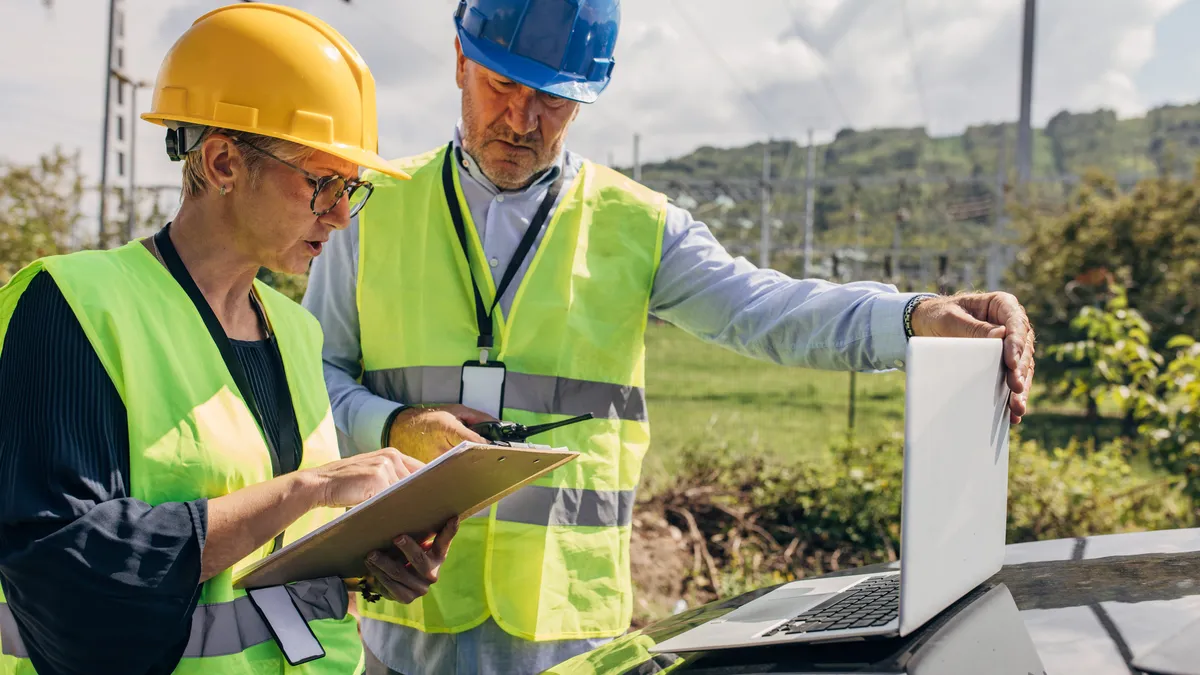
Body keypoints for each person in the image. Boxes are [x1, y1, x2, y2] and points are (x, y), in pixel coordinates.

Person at [302, 1, 1037, 673]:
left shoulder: (640, 225)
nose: (522, 121)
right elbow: (308, 383)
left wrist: (914, 314)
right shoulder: (366, 209)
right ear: (460, 60)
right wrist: (396, 425)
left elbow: (768, 309)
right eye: (501, 85)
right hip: (405, 625)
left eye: (553, 99)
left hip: (572, 640)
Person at [0, 5, 456, 674]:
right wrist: (310, 488)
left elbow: (270, 554)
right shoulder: (73, 306)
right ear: (221, 163)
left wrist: (369, 565)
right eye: (322, 182)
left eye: (350, 189)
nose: (339, 216)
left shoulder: (296, 331)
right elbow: (67, 569)